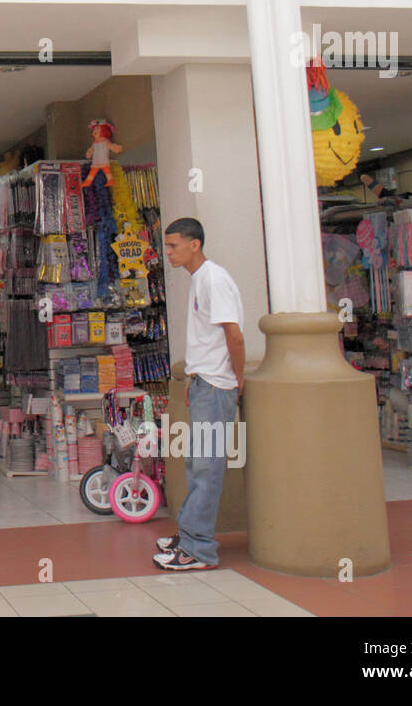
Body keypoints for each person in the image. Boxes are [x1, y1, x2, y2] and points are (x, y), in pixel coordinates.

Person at [153, 217, 245, 572]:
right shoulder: (200, 279)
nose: (169, 252)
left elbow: (234, 336)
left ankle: (199, 550)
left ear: (195, 244)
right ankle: (190, 535)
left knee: (206, 467)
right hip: (205, 382)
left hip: (217, 384)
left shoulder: (213, 279)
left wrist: (237, 379)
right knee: (197, 463)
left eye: (174, 245)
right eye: (167, 245)